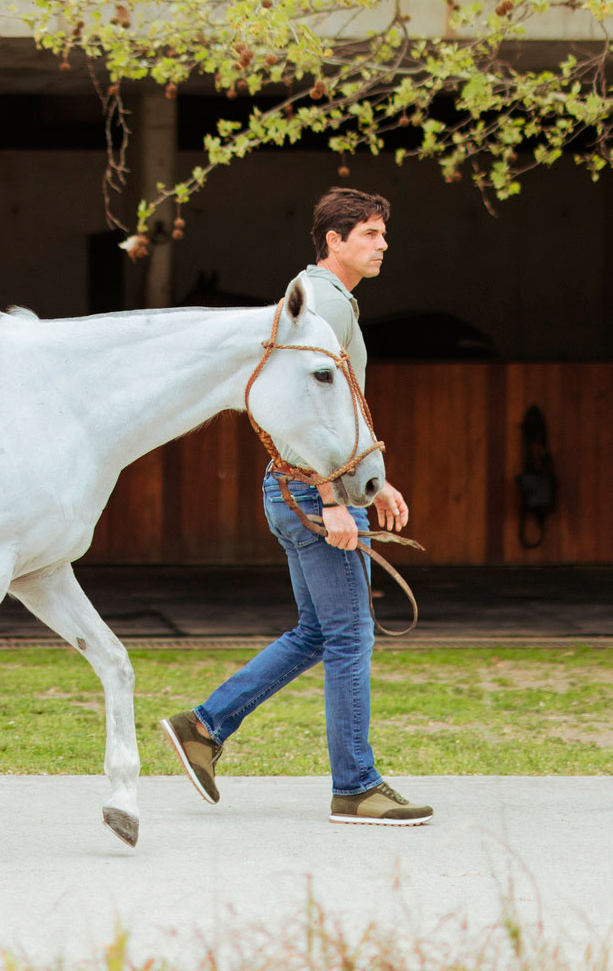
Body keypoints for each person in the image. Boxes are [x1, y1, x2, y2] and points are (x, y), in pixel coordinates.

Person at [160, 187, 430, 826]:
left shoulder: (319, 299)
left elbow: (341, 410)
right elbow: (298, 412)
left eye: (382, 233)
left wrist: (374, 480)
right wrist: (335, 499)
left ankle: (203, 727)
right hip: (311, 491)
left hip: (302, 486)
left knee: (319, 632)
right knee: (349, 637)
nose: (383, 244)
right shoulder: (321, 306)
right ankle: (356, 786)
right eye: (369, 233)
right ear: (334, 240)